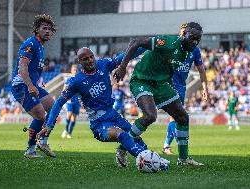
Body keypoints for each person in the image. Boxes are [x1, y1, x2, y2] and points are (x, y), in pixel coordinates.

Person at [37, 47, 169, 168]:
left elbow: (125, 56)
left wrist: (147, 45)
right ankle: (148, 161)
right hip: (99, 123)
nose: (89, 60)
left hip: (113, 114)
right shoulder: (76, 82)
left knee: (135, 136)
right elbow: (59, 102)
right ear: (80, 62)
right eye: (85, 59)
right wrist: (49, 125)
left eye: (91, 57)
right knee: (120, 134)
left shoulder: (103, 64)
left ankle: (141, 156)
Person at [113, 22, 204, 166]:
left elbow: (168, 69)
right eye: (192, 37)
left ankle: (183, 159)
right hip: (142, 80)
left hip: (161, 84)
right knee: (150, 116)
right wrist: (122, 66)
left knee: (182, 117)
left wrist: (172, 89)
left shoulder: (186, 52)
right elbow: (136, 42)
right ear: (183, 34)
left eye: (197, 40)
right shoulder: (167, 42)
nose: (194, 42)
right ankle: (122, 149)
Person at [11, 14, 57, 158]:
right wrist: (31, 86)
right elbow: (22, 67)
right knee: (40, 115)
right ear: (36, 30)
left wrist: (39, 82)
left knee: (54, 108)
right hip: (22, 85)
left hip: (32, 84)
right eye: (44, 28)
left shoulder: (40, 47)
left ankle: (43, 141)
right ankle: (30, 150)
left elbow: (35, 70)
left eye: (50, 29)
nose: (48, 31)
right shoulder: (30, 44)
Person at [162, 23, 209, 155]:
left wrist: (205, 88)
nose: (184, 35)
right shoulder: (174, 45)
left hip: (181, 87)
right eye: (182, 32)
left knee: (174, 117)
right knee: (177, 116)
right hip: (169, 85)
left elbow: (201, 70)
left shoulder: (195, 50)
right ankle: (178, 147)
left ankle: (166, 146)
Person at [61, 64, 81, 139]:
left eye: (76, 70)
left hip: (77, 101)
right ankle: (66, 129)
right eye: (74, 70)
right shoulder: (68, 79)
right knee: (69, 115)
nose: (75, 71)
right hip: (70, 100)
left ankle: (69, 133)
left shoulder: (79, 80)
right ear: (71, 71)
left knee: (74, 118)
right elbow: (65, 89)